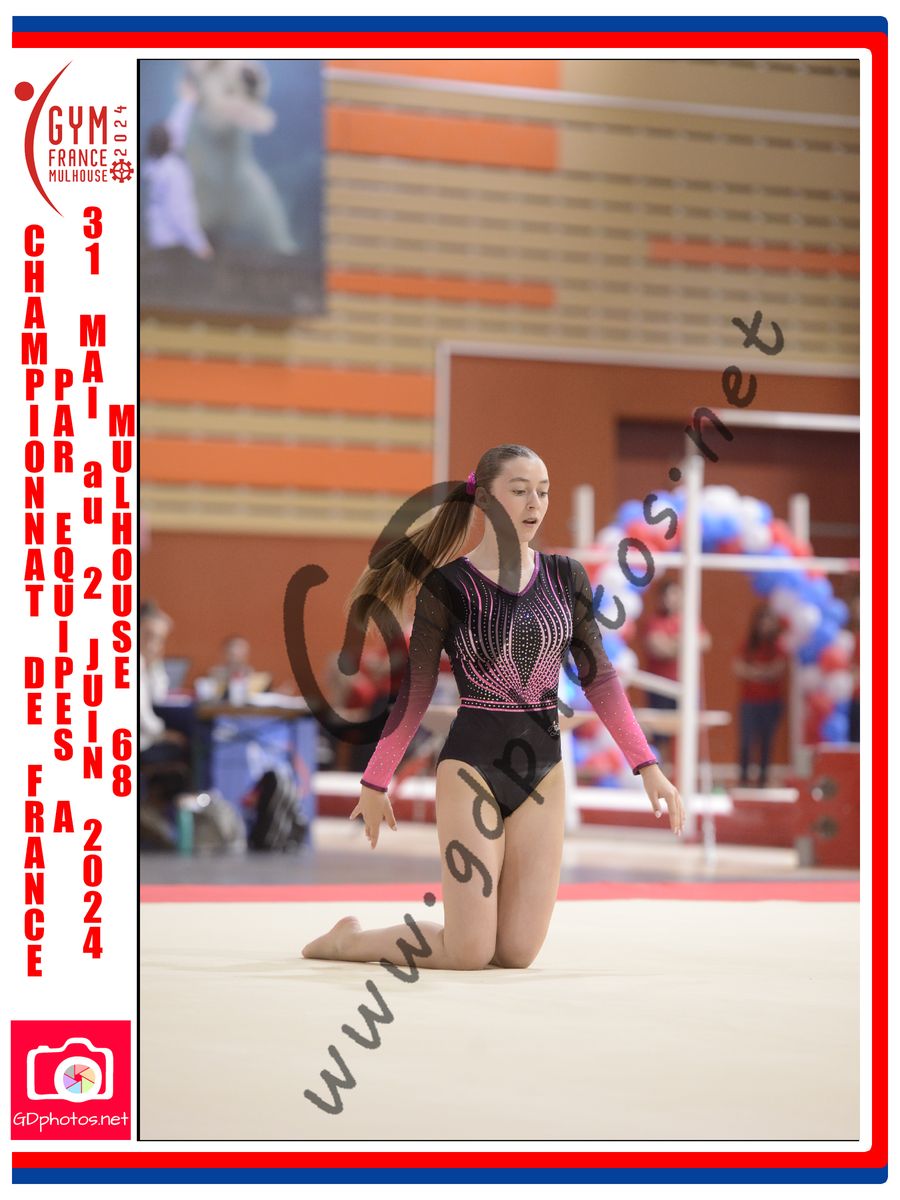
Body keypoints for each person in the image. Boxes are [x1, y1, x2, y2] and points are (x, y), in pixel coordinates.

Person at [302, 444, 683, 971]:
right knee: (469, 952)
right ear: (483, 498)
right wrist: (375, 780)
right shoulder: (447, 585)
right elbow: (413, 695)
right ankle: (350, 941)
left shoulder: (566, 577)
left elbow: (601, 679)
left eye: (543, 492)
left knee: (516, 953)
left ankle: (462, 927)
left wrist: (648, 766)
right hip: (471, 770)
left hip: (542, 772)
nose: (535, 504)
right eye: (520, 491)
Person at [641, 578, 711, 761]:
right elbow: (659, 648)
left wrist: (674, 642)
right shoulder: (654, 621)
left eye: (673, 595)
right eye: (665, 596)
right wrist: (684, 643)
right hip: (661, 686)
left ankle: (683, 770)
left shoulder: (689, 620)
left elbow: (705, 642)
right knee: (660, 733)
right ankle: (662, 769)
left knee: (687, 733)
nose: (669, 600)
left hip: (687, 685)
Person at [732, 603, 789, 787]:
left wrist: (755, 672)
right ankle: (743, 778)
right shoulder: (748, 645)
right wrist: (762, 673)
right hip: (749, 702)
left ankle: (763, 779)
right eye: (762, 621)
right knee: (746, 741)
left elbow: (778, 669)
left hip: (771, 702)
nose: (765, 625)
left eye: (768, 621)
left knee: (766, 741)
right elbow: (738, 667)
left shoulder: (778, 646)